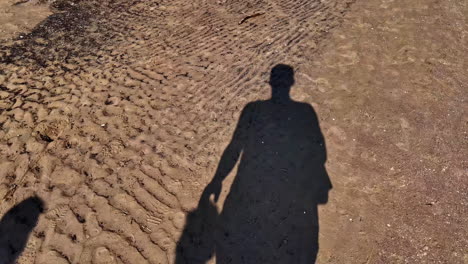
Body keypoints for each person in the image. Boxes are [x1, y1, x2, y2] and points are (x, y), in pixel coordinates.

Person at [176, 64, 331, 263]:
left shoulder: (253, 109)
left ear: (271, 83)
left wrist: (218, 179)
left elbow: (235, 146)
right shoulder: (305, 111)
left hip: (250, 189)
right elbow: (319, 152)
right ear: (291, 83)